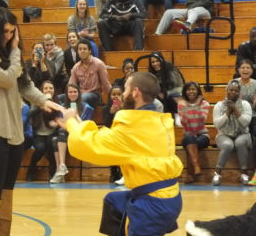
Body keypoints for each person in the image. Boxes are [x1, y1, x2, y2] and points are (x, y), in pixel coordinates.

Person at [0, 7, 62, 235]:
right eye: (5, 32)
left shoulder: (8, 52)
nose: (9, 37)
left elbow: (23, 83)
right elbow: (7, 80)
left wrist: (44, 100)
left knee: (6, 197)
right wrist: (16, 50)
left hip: (15, 134)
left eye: (12, 32)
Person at [63, 71, 183, 235]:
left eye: (125, 89)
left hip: (154, 204)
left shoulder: (133, 127)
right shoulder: (156, 120)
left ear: (135, 92)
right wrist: (77, 125)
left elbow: (89, 146)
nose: (122, 94)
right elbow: (111, 139)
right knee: (114, 203)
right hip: (170, 197)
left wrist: (70, 121)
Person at [50, 83, 93, 183]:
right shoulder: (63, 107)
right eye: (70, 92)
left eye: (75, 92)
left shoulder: (87, 107)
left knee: (60, 134)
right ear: (67, 94)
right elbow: (64, 125)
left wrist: (76, 115)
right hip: (67, 134)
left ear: (79, 93)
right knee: (55, 139)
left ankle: (59, 170)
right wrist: (58, 122)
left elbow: (84, 126)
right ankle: (60, 168)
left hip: (80, 135)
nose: (72, 94)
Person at [212, 80, 252, 186]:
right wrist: (228, 112)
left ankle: (244, 173)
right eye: (231, 90)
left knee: (240, 142)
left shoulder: (245, 104)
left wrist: (235, 109)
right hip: (224, 135)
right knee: (227, 144)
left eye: (236, 90)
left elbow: (245, 123)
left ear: (240, 93)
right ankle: (217, 173)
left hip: (242, 134)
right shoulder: (219, 106)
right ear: (226, 91)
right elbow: (217, 124)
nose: (233, 92)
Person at [26, 80, 59, 181]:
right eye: (45, 88)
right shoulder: (35, 102)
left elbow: (59, 118)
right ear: (41, 90)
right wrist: (42, 105)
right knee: (40, 148)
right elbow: (29, 114)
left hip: (52, 132)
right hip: (38, 133)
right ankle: (31, 168)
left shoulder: (58, 102)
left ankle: (52, 172)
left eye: (51, 88)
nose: (48, 90)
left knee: (51, 146)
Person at [178, 82, 210, 183]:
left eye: (193, 89)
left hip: (203, 135)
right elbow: (184, 122)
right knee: (190, 139)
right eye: (188, 89)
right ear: (185, 92)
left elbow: (202, 119)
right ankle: (196, 167)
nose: (191, 91)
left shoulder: (204, 103)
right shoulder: (181, 104)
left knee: (192, 143)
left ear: (197, 91)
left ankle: (190, 175)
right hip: (188, 134)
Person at [69, 38, 112, 108]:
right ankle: (72, 116)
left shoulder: (99, 64)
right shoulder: (76, 67)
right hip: (81, 93)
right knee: (61, 98)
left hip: (95, 95)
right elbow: (71, 86)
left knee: (82, 98)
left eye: (85, 49)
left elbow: (106, 84)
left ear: (90, 51)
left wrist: (114, 98)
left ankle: (82, 118)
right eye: (80, 49)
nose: (82, 51)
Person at [148, 51, 184, 125]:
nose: (155, 64)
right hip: (161, 97)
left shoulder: (169, 67)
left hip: (175, 93)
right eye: (153, 62)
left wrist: (165, 93)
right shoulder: (151, 72)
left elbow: (177, 84)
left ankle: (177, 122)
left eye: (157, 61)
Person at [103, 85, 123, 184]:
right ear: (109, 96)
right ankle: (114, 173)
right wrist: (111, 114)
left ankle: (124, 172)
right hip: (112, 135)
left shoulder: (127, 108)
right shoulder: (106, 108)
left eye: (119, 94)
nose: (116, 97)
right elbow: (106, 125)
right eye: (113, 94)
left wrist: (121, 109)